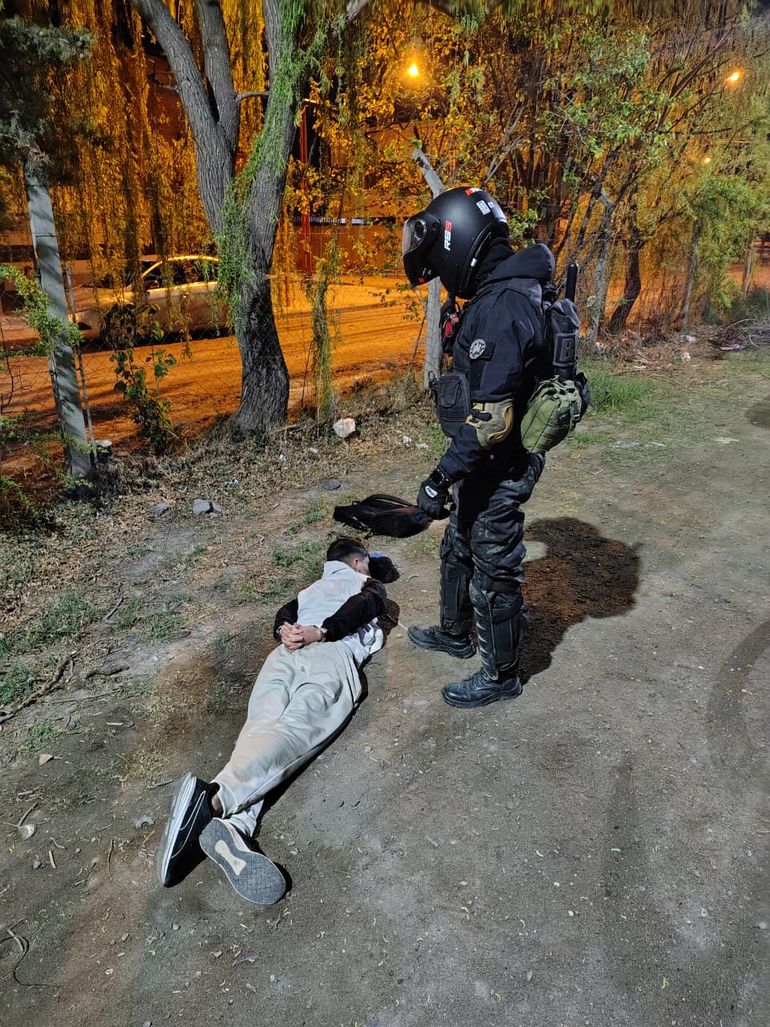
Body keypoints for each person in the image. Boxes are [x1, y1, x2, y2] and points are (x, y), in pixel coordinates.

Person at [156, 537, 398, 904]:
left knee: (260, 732)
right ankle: (214, 801)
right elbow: (369, 604)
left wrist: (285, 629)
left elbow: (283, 616)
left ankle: (236, 824)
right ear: (358, 562)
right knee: (296, 734)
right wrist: (325, 631)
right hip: (330, 654)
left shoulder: (306, 592)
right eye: (366, 562)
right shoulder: (365, 582)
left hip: (283, 655)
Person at [402, 185, 556, 710]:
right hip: (487, 456)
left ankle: (502, 673)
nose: (443, 277)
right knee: (458, 544)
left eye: (439, 264)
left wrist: (437, 478)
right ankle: (455, 632)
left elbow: (488, 421)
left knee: (492, 562)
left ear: (457, 241)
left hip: (499, 457)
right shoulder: (501, 293)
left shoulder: (504, 304)